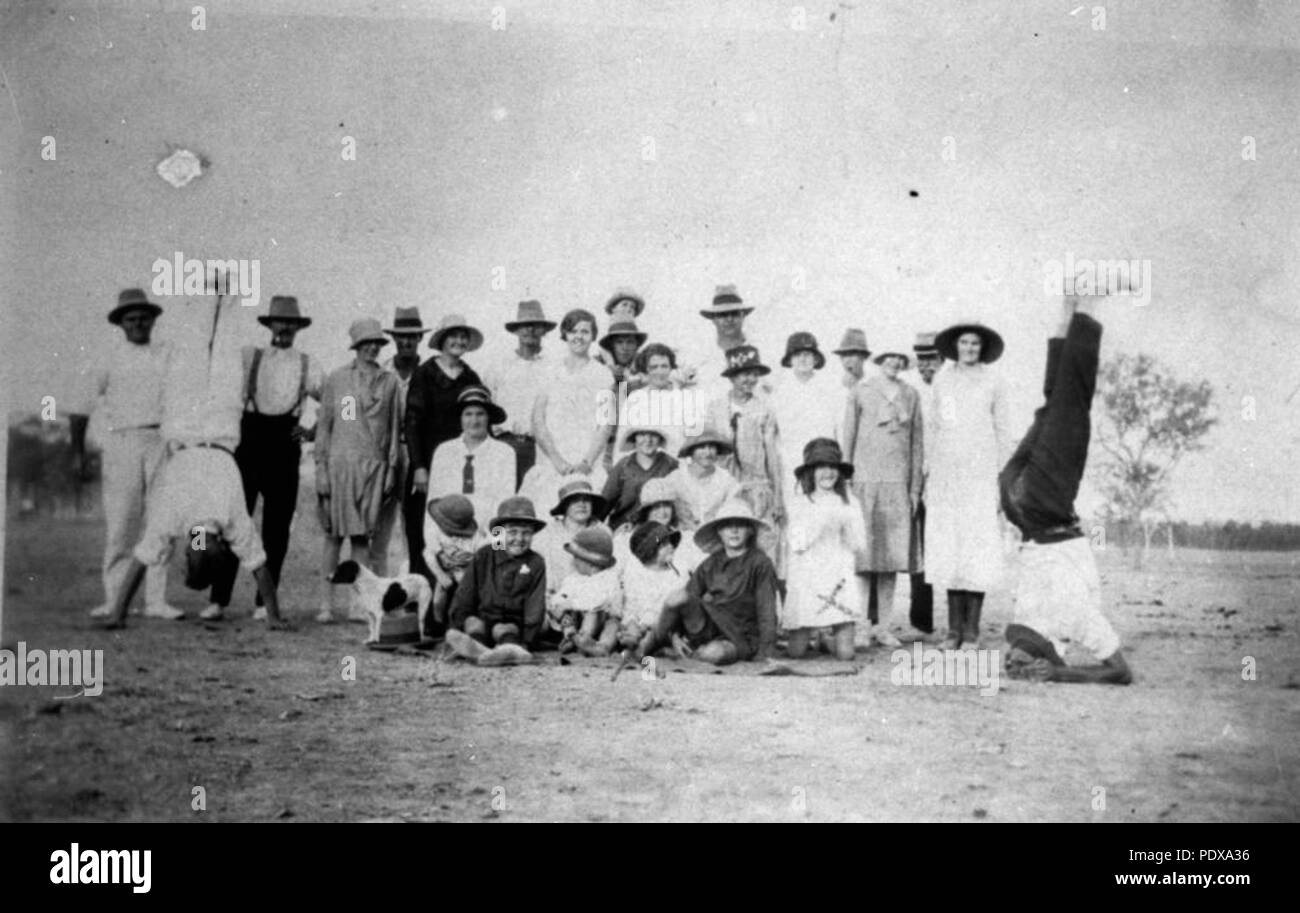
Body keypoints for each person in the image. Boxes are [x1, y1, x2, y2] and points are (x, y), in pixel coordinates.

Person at [102, 269, 288, 629]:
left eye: (194, 549)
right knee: (221, 351)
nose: (198, 544)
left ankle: (205, 296)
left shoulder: (178, 514)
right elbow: (259, 567)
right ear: (216, 546)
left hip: (187, 430)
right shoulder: (231, 522)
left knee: (193, 351)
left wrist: (117, 614)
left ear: (192, 547)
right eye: (202, 549)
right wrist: (275, 616)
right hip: (218, 430)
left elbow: (143, 558)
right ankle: (223, 297)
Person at [1000, 285, 1132, 685]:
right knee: (1071, 400)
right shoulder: (1075, 617)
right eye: (1021, 658)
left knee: (1053, 397)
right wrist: (1061, 674)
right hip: (1050, 509)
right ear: (1050, 648)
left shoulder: (1031, 619)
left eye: (1012, 658)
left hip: (1024, 511)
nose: (1011, 658)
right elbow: (1120, 672)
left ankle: (1068, 306)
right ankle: (1087, 305)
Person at [72, 288, 181, 620]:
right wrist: (77, 453)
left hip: (162, 440)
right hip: (122, 441)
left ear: (153, 320)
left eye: (144, 318)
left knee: (161, 520)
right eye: (131, 319)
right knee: (121, 522)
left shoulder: (167, 354)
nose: (138, 324)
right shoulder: (107, 357)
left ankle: (156, 600)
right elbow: (79, 408)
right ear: (120, 323)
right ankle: (115, 597)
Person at [213, 296, 323, 619]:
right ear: (270, 324)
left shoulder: (308, 363)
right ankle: (218, 599)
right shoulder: (250, 356)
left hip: (285, 445)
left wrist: (313, 431)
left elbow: (338, 402)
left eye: (291, 323)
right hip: (249, 441)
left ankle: (265, 603)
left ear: (298, 328)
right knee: (233, 519)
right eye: (280, 322)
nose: (285, 328)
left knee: (277, 527)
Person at [926, 320, 1012, 649]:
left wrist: (1002, 479)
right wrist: (931, 471)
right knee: (950, 549)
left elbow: (1003, 432)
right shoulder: (943, 381)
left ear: (983, 348)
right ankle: (952, 630)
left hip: (981, 474)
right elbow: (938, 426)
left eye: (975, 344)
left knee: (977, 550)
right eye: (964, 343)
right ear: (955, 347)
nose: (969, 349)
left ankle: (972, 631)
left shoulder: (994, 382)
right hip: (949, 475)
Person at [314, 319, 402, 624]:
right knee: (334, 536)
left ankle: (357, 604)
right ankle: (326, 603)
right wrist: (321, 470)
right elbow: (324, 427)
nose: (372, 348)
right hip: (340, 465)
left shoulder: (389, 382)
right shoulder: (338, 379)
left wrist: (390, 467)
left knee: (363, 539)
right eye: (366, 343)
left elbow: (393, 429)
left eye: (376, 343)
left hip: (374, 467)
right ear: (356, 346)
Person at [630, 498, 779, 666]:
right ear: (719, 532)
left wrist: (765, 653)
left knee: (714, 654)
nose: (734, 531)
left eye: (741, 525)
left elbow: (767, 610)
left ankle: (683, 655)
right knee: (677, 597)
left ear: (750, 531)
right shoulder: (711, 563)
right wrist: (675, 635)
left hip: (740, 635)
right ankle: (648, 647)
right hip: (707, 625)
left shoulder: (760, 563)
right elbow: (688, 597)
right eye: (727, 525)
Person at [841, 346, 923, 647]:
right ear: (879, 360)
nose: (894, 362)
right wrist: (846, 479)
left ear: (903, 363)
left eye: (899, 358)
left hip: (897, 484)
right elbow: (847, 436)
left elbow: (917, 442)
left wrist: (914, 487)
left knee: (890, 558)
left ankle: (884, 626)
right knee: (864, 558)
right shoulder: (861, 391)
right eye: (889, 357)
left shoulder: (911, 394)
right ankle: (861, 625)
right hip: (865, 482)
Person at [405, 313, 486, 580]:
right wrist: (418, 466)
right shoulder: (425, 373)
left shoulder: (471, 376)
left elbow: (479, 418)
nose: (459, 341)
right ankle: (420, 589)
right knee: (421, 526)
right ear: (442, 340)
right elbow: (412, 421)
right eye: (453, 336)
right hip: (427, 459)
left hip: (458, 460)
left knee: (455, 524)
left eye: (463, 337)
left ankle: (454, 589)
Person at [520, 308, 615, 506]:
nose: (578, 337)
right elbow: (538, 420)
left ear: (593, 336)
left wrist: (587, 463)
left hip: (587, 460)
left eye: (585, 332)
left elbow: (606, 424)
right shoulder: (548, 371)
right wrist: (557, 460)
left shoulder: (603, 374)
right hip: (552, 460)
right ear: (565, 334)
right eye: (573, 331)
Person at [782, 438, 866, 661]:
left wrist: (848, 522)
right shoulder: (799, 503)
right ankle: (813, 634)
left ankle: (827, 640)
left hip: (837, 578)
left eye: (833, 467)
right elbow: (798, 545)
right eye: (821, 467)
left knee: (846, 655)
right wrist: (820, 518)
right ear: (810, 472)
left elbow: (858, 545)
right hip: (808, 578)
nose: (828, 473)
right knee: (796, 653)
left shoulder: (849, 502)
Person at [704, 344, 784, 568]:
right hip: (726, 488)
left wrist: (777, 496)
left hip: (757, 487)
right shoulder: (715, 408)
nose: (749, 379)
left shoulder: (764, 409)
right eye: (743, 374)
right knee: (728, 549)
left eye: (753, 374)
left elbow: (771, 454)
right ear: (732, 377)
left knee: (761, 549)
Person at [446, 496, 549, 662]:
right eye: (513, 532)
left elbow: (535, 605)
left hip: (513, 623)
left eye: (526, 533)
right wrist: (458, 624)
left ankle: (512, 649)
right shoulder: (485, 555)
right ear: (499, 533)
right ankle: (477, 648)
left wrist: (528, 639)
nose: (520, 539)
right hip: (482, 617)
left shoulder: (535, 562)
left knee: (504, 628)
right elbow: (465, 593)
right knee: (473, 623)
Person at [370, 306, 432, 575]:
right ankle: (378, 590)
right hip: (385, 454)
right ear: (394, 340)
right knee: (380, 524)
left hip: (418, 454)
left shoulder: (430, 372)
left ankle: (412, 586)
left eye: (412, 336)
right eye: (401, 337)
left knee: (414, 525)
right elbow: (351, 408)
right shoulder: (379, 373)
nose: (406, 342)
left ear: (419, 338)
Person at [481, 299, 556, 489]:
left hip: (540, 448)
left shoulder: (553, 368)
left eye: (535, 326)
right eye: (524, 326)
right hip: (505, 443)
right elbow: (484, 409)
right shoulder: (498, 367)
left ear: (544, 331)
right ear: (515, 330)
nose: (529, 330)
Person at [426, 385, 516, 530]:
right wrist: (438, 549)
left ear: (489, 418)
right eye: (468, 414)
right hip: (448, 538)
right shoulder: (444, 451)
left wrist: (497, 548)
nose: (474, 421)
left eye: (480, 414)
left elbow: (504, 507)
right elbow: (433, 503)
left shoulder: (504, 453)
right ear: (460, 418)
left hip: (487, 538)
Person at [771, 331, 841, 493]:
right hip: (791, 465)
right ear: (789, 359)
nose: (802, 359)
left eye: (807, 354)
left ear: (816, 359)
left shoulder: (830, 389)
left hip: (824, 464)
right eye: (797, 355)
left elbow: (839, 429)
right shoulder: (779, 392)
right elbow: (774, 436)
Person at [907, 330, 942, 637]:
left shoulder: (952, 387)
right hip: (917, 477)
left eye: (931, 359)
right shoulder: (911, 388)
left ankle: (961, 624)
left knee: (945, 548)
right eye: (921, 359)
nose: (925, 365)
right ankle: (921, 622)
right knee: (918, 549)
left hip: (946, 479)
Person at [680, 285, 767, 403]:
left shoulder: (760, 351)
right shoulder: (697, 357)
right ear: (713, 319)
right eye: (723, 314)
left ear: (743, 316)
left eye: (734, 313)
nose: (729, 319)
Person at [532, 479, 611, 609]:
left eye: (586, 500)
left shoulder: (602, 531)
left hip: (591, 600)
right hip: (554, 599)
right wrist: (497, 547)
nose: (582, 504)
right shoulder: (549, 533)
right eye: (574, 500)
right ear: (564, 506)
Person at [550, 526, 623, 656]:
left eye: (577, 558)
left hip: (605, 618)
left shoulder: (609, 578)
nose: (573, 562)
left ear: (592, 564)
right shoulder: (574, 578)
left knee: (611, 623)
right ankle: (577, 639)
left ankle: (603, 646)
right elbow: (560, 597)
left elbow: (597, 602)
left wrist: (572, 603)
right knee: (568, 613)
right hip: (579, 621)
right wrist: (561, 604)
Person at [617, 521, 687, 652]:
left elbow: (679, 611)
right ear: (651, 550)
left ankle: (642, 649)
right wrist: (632, 624)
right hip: (640, 624)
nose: (671, 546)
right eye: (665, 544)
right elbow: (631, 607)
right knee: (629, 629)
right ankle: (633, 641)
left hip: (666, 627)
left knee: (654, 634)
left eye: (671, 543)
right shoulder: (636, 575)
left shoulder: (678, 575)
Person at [421, 493, 482, 639]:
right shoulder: (435, 533)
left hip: (465, 571)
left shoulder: (475, 537)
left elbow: (483, 551)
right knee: (438, 599)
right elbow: (430, 553)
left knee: (464, 598)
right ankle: (437, 624)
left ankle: (459, 625)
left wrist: (471, 561)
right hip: (444, 570)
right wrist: (442, 569)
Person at [620, 342, 693, 457]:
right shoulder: (635, 400)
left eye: (664, 366)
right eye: (654, 367)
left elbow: (692, 441)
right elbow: (623, 440)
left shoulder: (685, 399)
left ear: (671, 368)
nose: (660, 372)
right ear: (646, 370)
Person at [602, 424, 679, 532]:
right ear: (635, 438)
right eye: (642, 435)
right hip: (624, 528)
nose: (648, 440)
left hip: (659, 527)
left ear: (660, 438)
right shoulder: (624, 466)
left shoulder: (670, 464)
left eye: (653, 435)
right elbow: (605, 503)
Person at [664, 426, 740, 531]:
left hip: (715, 536)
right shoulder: (675, 479)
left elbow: (734, 510)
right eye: (701, 447)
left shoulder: (727, 480)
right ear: (691, 450)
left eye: (711, 447)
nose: (707, 453)